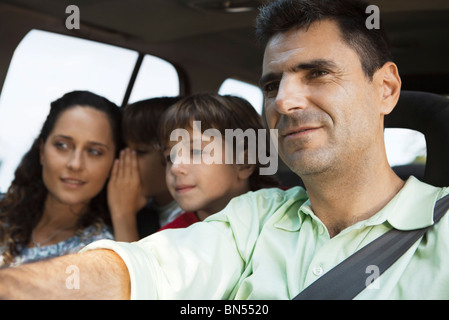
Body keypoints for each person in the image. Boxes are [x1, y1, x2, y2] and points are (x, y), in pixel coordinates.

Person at [0, 0, 448, 300]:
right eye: (272, 84)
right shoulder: (252, 217)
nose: (284, 101)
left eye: (317, 74)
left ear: (386, 88)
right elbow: (147, 270)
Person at [0, 90, 121, 267]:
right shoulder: (6, 212)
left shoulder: (97, 253)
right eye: (62, 145)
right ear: (42, 151)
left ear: (113, 163)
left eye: (94, 151)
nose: (75, 164)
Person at [158, 93, 279, 230]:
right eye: (170, 157)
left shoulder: (289, 210)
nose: (175, 168)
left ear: (244, 163)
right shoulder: (170, 238)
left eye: (196, 151)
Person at [107, 97, 183, 241]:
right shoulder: (147, 205)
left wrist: (123, 215)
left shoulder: (190, 223)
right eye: (124, 150)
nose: (126, 161)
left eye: (141, 151)